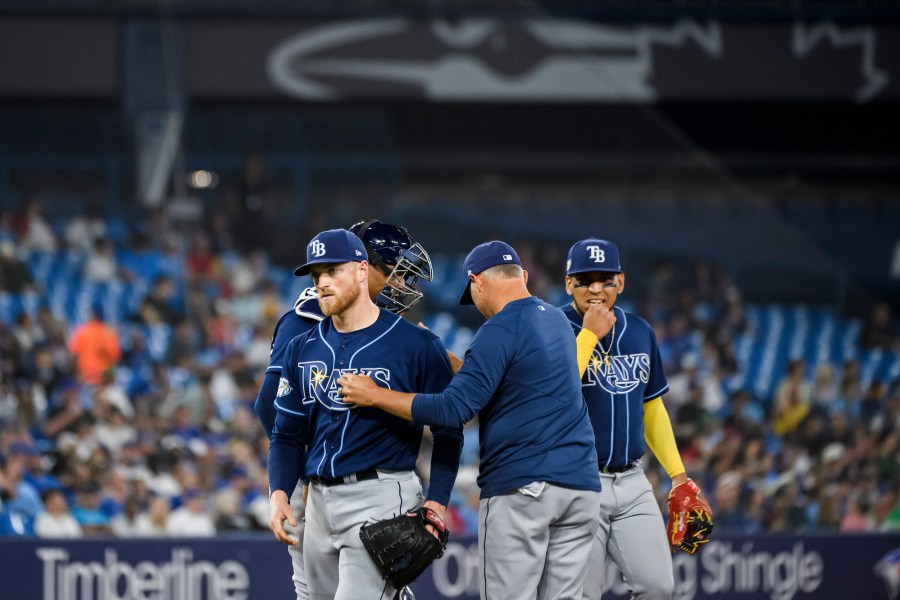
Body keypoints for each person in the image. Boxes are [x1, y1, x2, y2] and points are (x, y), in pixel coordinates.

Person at [339, 240, 602, 600]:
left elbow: (454, 410)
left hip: (525, 488)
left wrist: (375, 395)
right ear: (521, 276)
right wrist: (441, 355)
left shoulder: (498, 328)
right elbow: (511, 385)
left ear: (477, 281)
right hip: (580, 489)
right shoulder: (555, 319)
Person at [266, 228, 462, 600]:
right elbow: (285, 435)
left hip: (382, 495)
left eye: (332, 271)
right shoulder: (300, 347)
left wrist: (436, 501)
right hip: (319, 502)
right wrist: (278, 493)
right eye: (316, 274)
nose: (323, 282)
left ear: (360, 269)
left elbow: (448, 430)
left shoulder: (417, 344)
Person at [560, 238, 709, 599]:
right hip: (577, 482)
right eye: (584, 279)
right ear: (569, 284)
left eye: (605, 278)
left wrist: (678, 476)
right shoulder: (553, 328)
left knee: (659, 586)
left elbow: (652, 407)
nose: (595, 287)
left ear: (620, 282)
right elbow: (558, 391)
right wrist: (589, 335)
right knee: (583, 594)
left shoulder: (640, 331)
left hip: (632, 480)